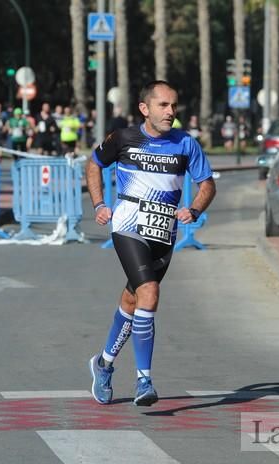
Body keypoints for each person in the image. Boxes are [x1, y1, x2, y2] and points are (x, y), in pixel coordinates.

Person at [85, 80, 216, 406]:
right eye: (163, 105)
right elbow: (93, 164)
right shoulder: (124, 138)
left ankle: (103, 364)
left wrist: (195, 208)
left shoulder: (186, 144)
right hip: (128, 224)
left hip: (163, 233)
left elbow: (207, 185)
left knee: (133, 299)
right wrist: (100, 204)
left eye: (174, 105)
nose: (171, 111)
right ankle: (145, 380)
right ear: (145, 108)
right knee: (150, 292)